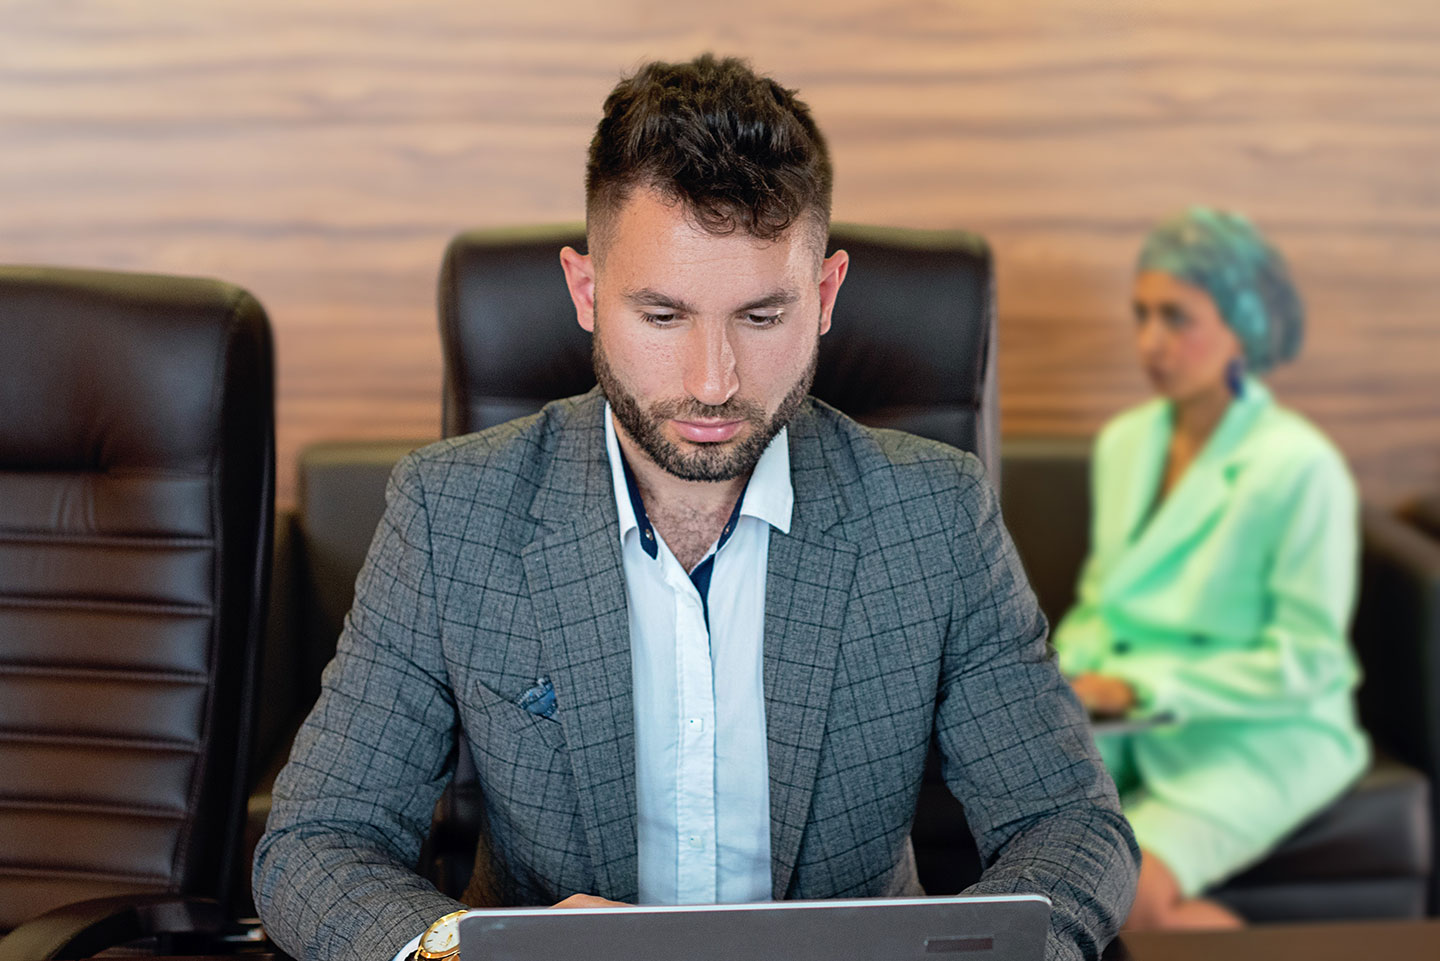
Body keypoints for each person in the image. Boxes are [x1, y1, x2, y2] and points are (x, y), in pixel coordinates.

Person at [254, 54, 1138, 961]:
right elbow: (316, 844)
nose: (713, 383)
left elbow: (1070, 826)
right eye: (664, 317)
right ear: (587, 292)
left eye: (761, 317)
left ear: (825, 296)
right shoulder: (453, 513)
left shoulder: (936, 516)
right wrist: (459, 954)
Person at [1053, 207, 1368, 930]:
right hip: (1131, 728)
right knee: (1044, 875)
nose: (1150, 342)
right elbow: (1102, 601)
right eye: (1141, 314)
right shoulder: (1127, 443)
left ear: (1245, 324)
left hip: (1262, 732)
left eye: (1176, 317)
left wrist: (1136, 686)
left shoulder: (1300, 467)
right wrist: (1057, 678)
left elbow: (1307, 660)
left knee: (1128, 903)